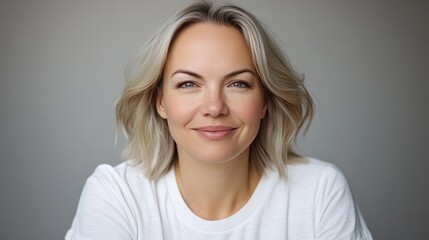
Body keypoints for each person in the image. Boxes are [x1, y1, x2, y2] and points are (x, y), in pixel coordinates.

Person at [65, 1, 372, 239]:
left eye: (238, 83)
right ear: (160, 101)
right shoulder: (116, 196)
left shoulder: (320, 192)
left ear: (265, 100)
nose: (214, 107)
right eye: (188, 84)